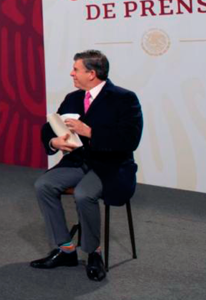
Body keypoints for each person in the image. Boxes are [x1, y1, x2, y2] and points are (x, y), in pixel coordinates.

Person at [30, 50, 143, 281]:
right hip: (78, 161)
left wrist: (89, 132)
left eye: (76, 69)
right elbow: (49, 128)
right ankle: (65, 249)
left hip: (110, 165)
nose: (72, 73)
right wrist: (55, 141)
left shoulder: (125, 98)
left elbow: (130, 140)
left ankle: (93, 252)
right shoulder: (73, 97)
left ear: (91, 74)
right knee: (43, 185)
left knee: (83, 194)